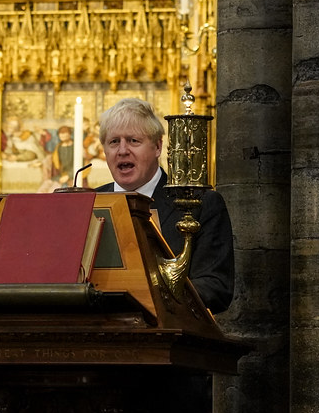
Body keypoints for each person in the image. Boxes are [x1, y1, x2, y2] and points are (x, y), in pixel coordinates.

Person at [95, 97, 234, 313]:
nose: (122, 150)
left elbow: (216, 287)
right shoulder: (89, 204)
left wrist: (152, 298)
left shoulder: (201, 204)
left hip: (171, 336)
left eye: (133, 141)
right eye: (114, 142)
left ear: (158, 146)